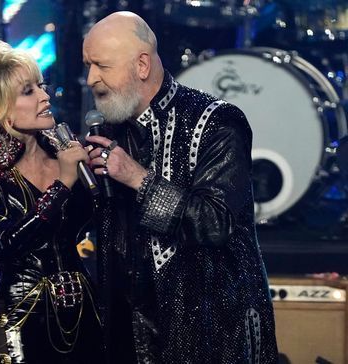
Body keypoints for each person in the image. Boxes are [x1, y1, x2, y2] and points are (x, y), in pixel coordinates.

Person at [82, 11, 278, 363]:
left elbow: (215, 223)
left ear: (142, 65)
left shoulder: (217, 121)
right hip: (129, 333)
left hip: (212, 331)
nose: (90, 78)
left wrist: (136, 177)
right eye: (87, 65)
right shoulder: (109, 130)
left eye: (101, 66)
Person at [0, 37, 103, 364]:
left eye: (42, 86)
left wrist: (102, 178)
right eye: (29, 91)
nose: (45, 96)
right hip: (21, 315)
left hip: (85, 309)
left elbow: (92, 223)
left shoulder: (61, 147)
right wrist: (63, 183)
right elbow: (7, 243)